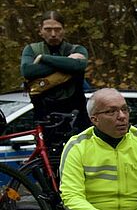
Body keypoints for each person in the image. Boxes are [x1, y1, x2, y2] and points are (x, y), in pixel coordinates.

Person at [19, 11, 89, 144]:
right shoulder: (31, 49)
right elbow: (27, 71)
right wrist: (66, 62)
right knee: (48, 160)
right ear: (40, 31)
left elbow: (78, 66)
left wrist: (43, 59)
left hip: (76, 115)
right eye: (48, 29)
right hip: (44, 114)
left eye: (57, 29)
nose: (53, 34)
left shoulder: (76, 49)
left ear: (64, 30)